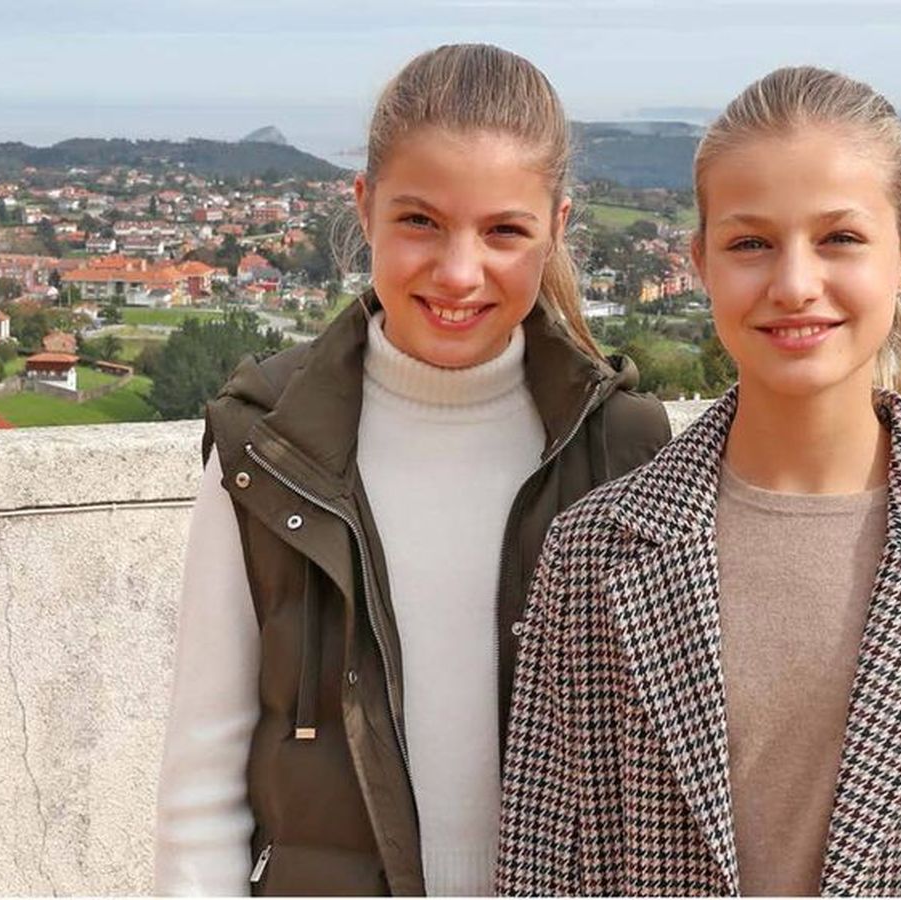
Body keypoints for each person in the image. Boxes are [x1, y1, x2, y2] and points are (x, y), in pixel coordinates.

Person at [496, 66, 901, 897]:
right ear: (701, 262)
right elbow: (541, 868)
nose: (793, 284)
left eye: (839, 239)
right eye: (751, 242)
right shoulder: (594, 553)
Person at [153, 44, 672, 896]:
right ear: (364, 209)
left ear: (559, 229)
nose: (459, 272)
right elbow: (202, 787)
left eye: (504, 230)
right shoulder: (268, 450)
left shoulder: (623, 449)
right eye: (420, 221)